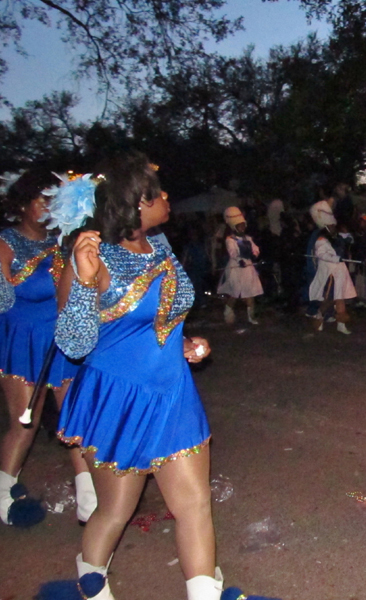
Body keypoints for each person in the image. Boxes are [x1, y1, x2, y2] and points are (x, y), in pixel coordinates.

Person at [49, 152, 273, 600]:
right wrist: (85, 280)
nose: (167, 197)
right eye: (158, 191)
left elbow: (164, 314)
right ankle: (91, 572)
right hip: (118, 399)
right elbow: (72, 344)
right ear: (136, 202)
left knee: (193, 505)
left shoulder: (162, 244)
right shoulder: (92, 257)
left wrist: (185, 343)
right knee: (116, 509)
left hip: (173, 392)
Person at [0, 169, 95, 527]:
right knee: (25, 422)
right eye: (38, 200)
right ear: (21, 205)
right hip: (20, 341)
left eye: (51, 201)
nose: (44, 207)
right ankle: (3, 494)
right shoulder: (6, 242)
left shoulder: (63, 241)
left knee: (74, 418)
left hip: (62, 338)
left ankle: (89, 499)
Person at [217, 206, 263, 325]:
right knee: (235, 293)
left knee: (250, 292)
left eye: (243, 225)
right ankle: (228, 313)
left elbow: (255, 249)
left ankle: (251, 317)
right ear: (234, 227)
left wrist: (254, 254)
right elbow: (232, 252)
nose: (242, 227)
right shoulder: (230, 239)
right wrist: (239, 259)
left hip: (248, 268)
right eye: (240, 225)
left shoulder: (248, 238)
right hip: (236, 268)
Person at [308, 226, 356, 334]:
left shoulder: (337, 239)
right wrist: (335, 258)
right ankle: (319, 317)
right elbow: (321, 254)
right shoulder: (321, 240)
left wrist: (348, 240)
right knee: (329, 299)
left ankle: (341, 324)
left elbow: (345, 247)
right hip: (329, 273)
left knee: (340, 298)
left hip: (340, 272)